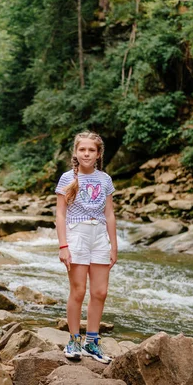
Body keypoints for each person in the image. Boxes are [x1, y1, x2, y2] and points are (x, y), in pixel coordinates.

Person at [55, 131, 117, 363]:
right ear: (76, 152)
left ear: (98, 153)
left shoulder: (105, 179)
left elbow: (109, 214)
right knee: (78, 291)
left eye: (91, 150)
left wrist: (114, 247)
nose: (87, 153)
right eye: (82, 149)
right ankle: (73, 340)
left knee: (100, 292)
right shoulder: (67, 178)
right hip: (77, 235)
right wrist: (63, 245)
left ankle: (92, 342)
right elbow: (60, 215)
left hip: (100, 236)